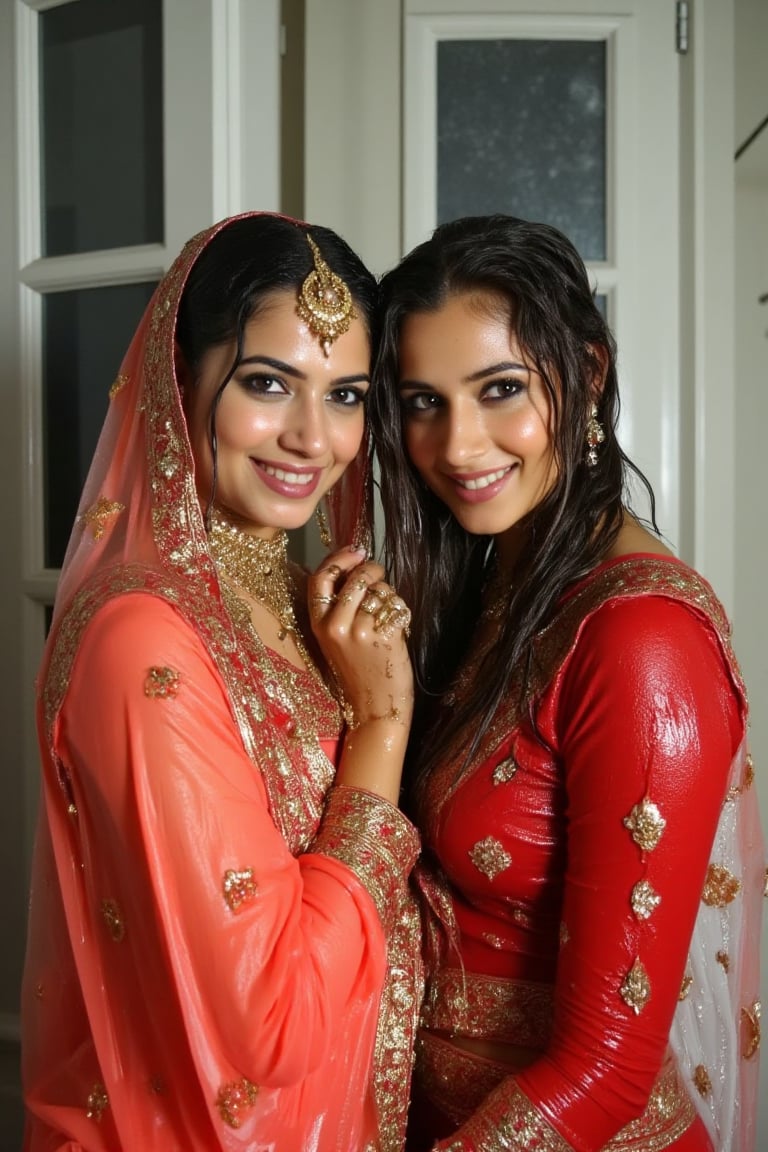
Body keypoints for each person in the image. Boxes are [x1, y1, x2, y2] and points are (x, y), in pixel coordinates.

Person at [21, 211, 422, 1152]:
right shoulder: (142, 642)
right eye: (268, 383)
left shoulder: (300, 596)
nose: (312, 438)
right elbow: (267, 1022)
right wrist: (385, 722)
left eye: (347, 395)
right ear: (180, 379)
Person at [369, 214, 764, 1152]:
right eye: (424, 402)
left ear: (587, 374)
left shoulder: (641, 640)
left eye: (500, 390)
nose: (459, 446)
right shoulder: (500, 573)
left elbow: (610, 1069)